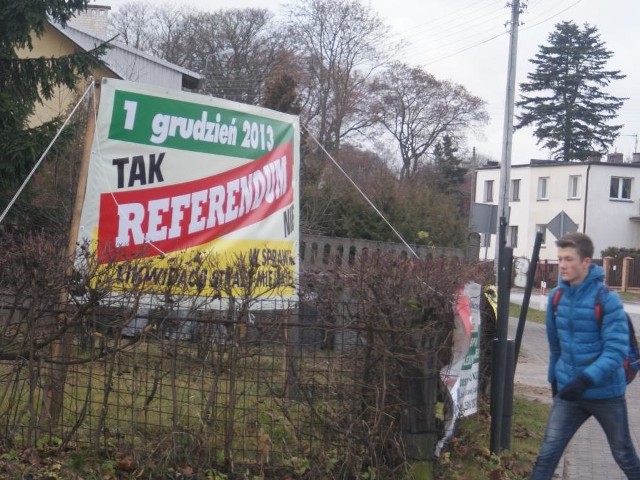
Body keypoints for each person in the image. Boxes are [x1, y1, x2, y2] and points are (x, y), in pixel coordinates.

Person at [530, 232, 640, 479]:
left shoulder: (607, 300)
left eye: (569, 259)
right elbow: (555, 346)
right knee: (546, 456)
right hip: (569, 393)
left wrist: (584, 380)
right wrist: (554, 382)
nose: (563, 265)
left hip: (606, 394)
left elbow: (616, 351)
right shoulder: (557, 297)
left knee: (624, 455)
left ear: (586, 262)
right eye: (560, 259)